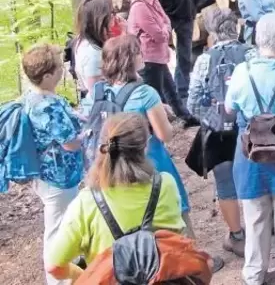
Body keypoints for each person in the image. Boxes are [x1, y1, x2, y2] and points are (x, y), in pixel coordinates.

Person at [45, 114, 186, 282]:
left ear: (104, 147)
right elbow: (177, 235)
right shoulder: (165, 184)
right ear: (145, 146)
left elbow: (54, 266)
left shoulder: (86, 202)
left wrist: (85, 276)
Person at [80, 36, 195, 239]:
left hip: (112, 166)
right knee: (175, 211)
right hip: (150, 160)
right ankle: (188, 259)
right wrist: (163, 113)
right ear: (130, 59)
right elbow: (164, 134)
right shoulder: (145, 93)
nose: (142, 55)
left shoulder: (95, 95)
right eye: (138, 52)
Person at [225, 13, 275, 284]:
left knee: (254, 219)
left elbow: (230, 110)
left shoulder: (243, 71)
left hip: (249, 153)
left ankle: (254, 275)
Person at [185, 8, 247, 259]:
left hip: (217, 133)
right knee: (257, 173)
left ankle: (237, 236)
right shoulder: (250, 54)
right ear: (236, 26)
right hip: (249, 128)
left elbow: (192, 103)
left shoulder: (204, 61)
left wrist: (215, 119)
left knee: (225, 182)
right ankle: (265, 223)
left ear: (211, 32)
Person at [21, 44, 84, 285]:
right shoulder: (46, 106)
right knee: (57, 230)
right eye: (59, 68)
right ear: (47, 75)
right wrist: (88, 134)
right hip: (57, 177)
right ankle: (58, 279)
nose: (63, 70)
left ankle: (70, 270)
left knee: (64, 223)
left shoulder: (34, 97)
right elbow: (70, 143)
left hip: (50, 174)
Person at [127, 0, 192, 121]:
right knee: (155, 98)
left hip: (158, 57)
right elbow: (160, 35)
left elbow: (166, 23)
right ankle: (158, 130)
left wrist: (164, 28)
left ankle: (185, 117)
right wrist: (164, 29)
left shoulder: (153, 0)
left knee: (171, 91)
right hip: (148, 61)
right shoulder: (140, 6)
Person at [74, 0, 115, 94]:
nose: (114, 16)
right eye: (111, 13)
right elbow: (96, 94)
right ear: (101, 20)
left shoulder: (83, 40)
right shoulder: (94, 54)